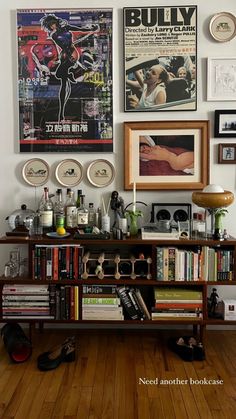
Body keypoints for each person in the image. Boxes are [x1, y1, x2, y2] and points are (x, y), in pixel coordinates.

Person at [40, 14, 99, 121]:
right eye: (50, 26)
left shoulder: (66, 27)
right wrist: (60, 57)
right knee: (63, 80)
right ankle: (62, 111)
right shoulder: (53, 35)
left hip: (72, 52)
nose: (52, 26)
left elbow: (80, 29)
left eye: (52, 24)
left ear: (55, 21)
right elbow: (61, 47)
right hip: (65, 54)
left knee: (62, 77)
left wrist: (91, 29)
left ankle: (61, 112)